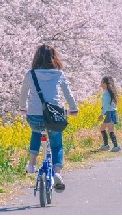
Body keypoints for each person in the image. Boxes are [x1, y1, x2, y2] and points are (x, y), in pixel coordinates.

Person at [19, 44, 79, 192]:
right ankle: (57, 173)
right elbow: (68, 94)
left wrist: (22, 107)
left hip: (34, 115)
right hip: (54, 116)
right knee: (57, 145)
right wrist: (73, 108)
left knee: (36, 131)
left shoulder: (30, 74)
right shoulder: (59, 74)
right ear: (54, 57)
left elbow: (23, 93)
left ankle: (32, 164)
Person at [98, 76, 120, 152]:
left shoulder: (106, 94)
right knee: (109, 130)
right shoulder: (111, 93)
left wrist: (101, 114)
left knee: (103, 129)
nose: (100, 84)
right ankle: (113, 146)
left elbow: (105, 106)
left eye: (101, 82)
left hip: (109, 113)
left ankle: (108, 146)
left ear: (105, 83)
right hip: (113, 112)